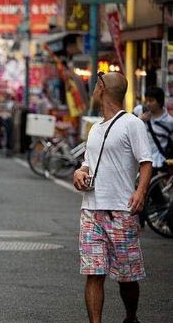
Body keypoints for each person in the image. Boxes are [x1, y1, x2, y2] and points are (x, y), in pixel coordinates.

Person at [73, 72, 153, 323]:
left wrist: (140, 192)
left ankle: (131, 316)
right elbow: (88, 163)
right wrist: (80, 172)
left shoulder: (132, 123)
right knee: (93, 272)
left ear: (101, 88)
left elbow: (146, 162)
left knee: (127, 275)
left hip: (120, 210)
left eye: (95, 85)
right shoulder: (95, 128)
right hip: (91, 210)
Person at [135, 87, 173, 169]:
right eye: (146, 100)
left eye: (151, 100)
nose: (148, 103)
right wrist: (140, 120)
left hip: (158, 163)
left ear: (159, 102)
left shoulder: (169, 121)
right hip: (138, 160)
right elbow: (127, 128)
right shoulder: (139, 111)